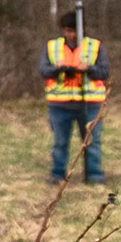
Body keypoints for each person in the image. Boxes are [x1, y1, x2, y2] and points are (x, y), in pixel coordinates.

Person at [40, 10, 109, 185]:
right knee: (60, 143)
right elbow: (43, 71)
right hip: (59, 105)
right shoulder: (52, 47)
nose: (71, 34)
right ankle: (58, 175)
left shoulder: (95, 46)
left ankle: (94, 175)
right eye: (67, 30)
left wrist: (89, 69)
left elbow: (104, 72)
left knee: (92, 142)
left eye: (74, 30)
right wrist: (57, 68)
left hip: (90, 104)